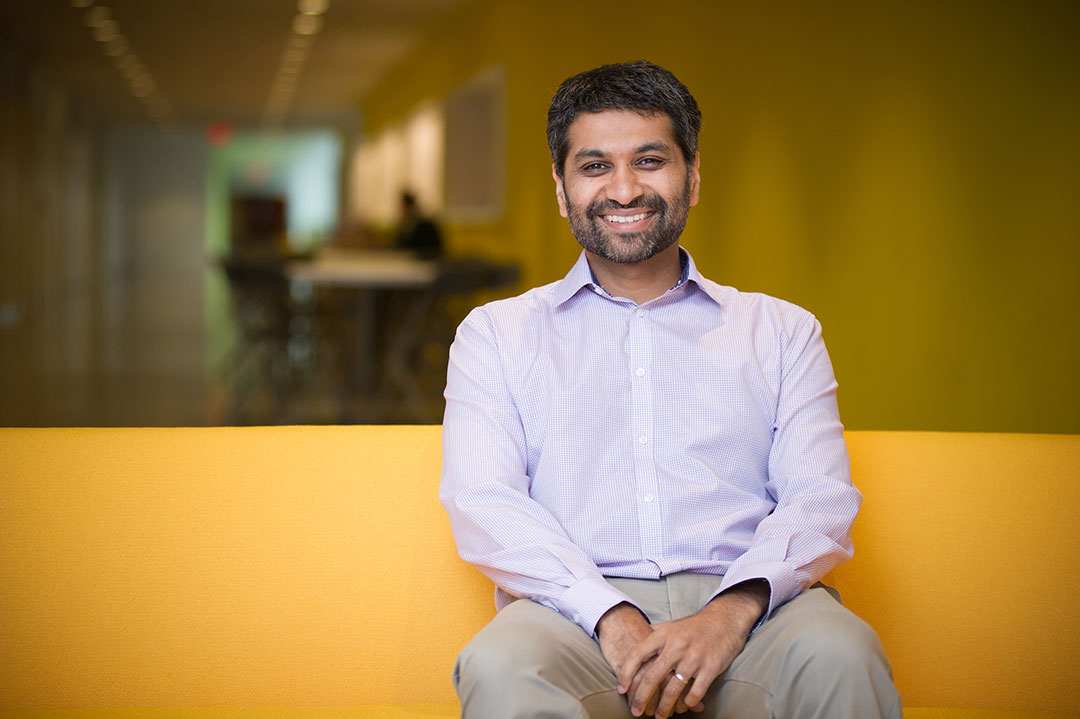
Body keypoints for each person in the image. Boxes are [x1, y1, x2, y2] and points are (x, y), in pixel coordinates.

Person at [439, 61, 900, 719]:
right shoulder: (496, 334)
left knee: (842, 651)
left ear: (693, 176)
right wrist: (610, 614)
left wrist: (728, 613)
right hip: (576, 615)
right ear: (561, 188)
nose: (624, 188)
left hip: (754, 608)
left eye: (650, 160)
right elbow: (484, 500)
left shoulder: (781, 330)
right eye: (595, 166)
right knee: (499, 664)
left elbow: (819, 496)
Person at [394, 191, 443, 259]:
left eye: (403, 207)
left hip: (425, 263)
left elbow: (409, 248)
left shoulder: (423, 227)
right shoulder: (409, 226)